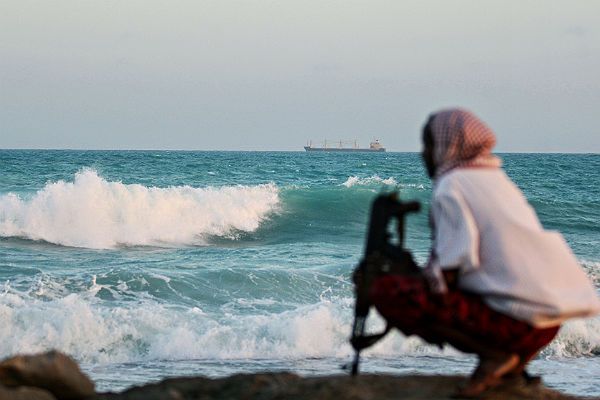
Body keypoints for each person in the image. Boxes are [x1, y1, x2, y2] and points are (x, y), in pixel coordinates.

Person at [369, 108, 600, 397]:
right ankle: (514, 363)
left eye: (428, 145)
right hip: (548, 325)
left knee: (388, 291)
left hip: (514, 325)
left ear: (447, 146)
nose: (424, 154)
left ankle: (495, 355)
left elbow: (450, 274)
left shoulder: (451, 186)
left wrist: (401, 273)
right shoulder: (497, 180)